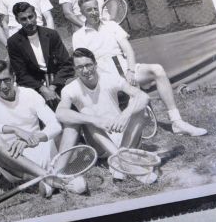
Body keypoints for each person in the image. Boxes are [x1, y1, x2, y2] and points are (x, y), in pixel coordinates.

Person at [71, 0, 207, 136]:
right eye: (89, 10)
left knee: (157, 70)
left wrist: (130, 71)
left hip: (125, 68)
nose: (93, 12)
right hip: (104, 78)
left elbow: (128, 49)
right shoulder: (78, 36)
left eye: (95, 8)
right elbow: (84, 63)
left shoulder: (111, 25)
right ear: (82, 12)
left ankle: (177, 122)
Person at [0, 60, 86, 197]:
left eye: (7, 80)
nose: (3, 86)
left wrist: (33, 138)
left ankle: (54, 176)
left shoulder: (29, 93)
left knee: (70, 126)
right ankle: (48, 177)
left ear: (14, 77)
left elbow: (54, 124)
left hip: (41, 149)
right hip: (15, 161)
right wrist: (14, 129)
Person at [57, 48, 158, 183]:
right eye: (80, 67)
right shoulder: (70, 89)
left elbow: (143, 96)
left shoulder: (109, 78)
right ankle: (124, 162)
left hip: (125, 135)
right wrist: (95, 120)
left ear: (95, 65)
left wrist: (125, 114)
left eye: (88, 65)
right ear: (75, 70)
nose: (86, 71)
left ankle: (118, 160)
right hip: (100, 142)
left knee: (141, 109)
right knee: (86, 113)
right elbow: (60, 113)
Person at [6, 2, 73, 110]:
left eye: (30, 17)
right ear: (18, 20)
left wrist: (52, 87)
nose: (29, 22)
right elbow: (21, 74)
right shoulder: (13, 42)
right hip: (35, 86)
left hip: (57, 81)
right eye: (23, 19)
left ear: (36, 15)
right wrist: (43, 89)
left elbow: (66, 64)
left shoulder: (51, 35)